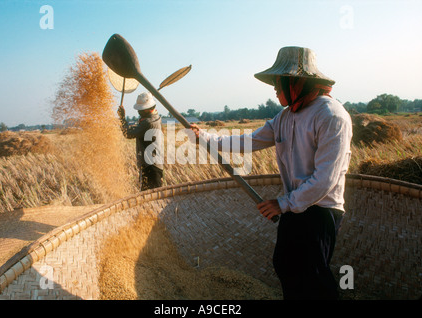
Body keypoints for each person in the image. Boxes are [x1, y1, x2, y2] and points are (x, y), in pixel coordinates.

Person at [190, 46, 352, 300]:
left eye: (279, 82)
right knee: (285, 264)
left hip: (321, 211)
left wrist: (282, 203)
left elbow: (325, 180)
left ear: (296, 82)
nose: (275, 89)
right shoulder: (285, 117)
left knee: (312, 275)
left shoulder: (331, 116)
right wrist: (205, 138)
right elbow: (248, 141)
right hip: (294, 206)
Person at [118, 91, 164, 191]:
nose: (138, 112)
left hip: (151, 167)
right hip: (153, 165)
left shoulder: (148, 122)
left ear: (147, 109)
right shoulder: (156, 118)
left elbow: (128, 133)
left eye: (141, 110)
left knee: (151, 197)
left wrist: (122, 118)